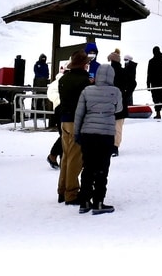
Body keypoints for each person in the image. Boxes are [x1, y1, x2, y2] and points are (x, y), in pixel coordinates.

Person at [74, 61, 123, 214]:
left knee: (88, 167)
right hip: (106, 135)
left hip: (88, 133)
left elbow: (79, 113)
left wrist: (77, 133)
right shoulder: (116, 91)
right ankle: (99, 202)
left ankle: (84, 202)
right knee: (102, 168)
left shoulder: (87, 90)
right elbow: (119, 109)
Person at [57, 51, 91, 205]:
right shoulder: (84, 81)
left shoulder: (64, 79)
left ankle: (62, 190)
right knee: (75, 158)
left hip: (64, 121)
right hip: (77, 122)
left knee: (65, 156)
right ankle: (71, 193)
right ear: (83, 64)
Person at [109, 50, 136, 157]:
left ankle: (110, 145)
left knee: (109, 126)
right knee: (118, 126)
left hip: (109, 103)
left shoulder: (108, 72)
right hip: (121, 103)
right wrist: (126, 94)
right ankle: (115, 147)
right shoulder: (123, 71)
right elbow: (133, 83)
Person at [147, 46, 162, 119]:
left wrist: (148, 84)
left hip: (155, 82)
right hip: (161, 82)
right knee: (161, 97)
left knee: (156, 98)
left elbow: (149, 73)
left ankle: (159, 113)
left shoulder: (152, 61)